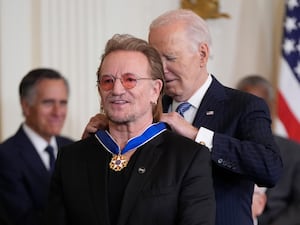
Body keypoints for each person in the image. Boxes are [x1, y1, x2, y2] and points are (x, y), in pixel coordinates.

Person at [82, 9, 283, 225]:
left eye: (170, 58)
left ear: (202, 55)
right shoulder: (146, 108)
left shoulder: (243, 106)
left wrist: (198, 135)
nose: (162, 69)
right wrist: (108, 136)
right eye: (155, 60)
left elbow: (269, 168)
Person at [43, 34, 215, 225]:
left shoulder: (187, 157)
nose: (116, 90)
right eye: (107, 81)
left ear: (155, 90)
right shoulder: (71, 158)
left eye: (129, 80)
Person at [0, 68, 74, 225]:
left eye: (63, 103)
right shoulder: (5, 157)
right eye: (48, 103)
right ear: (26, 106)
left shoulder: (72, 148)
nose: (57, 112)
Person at [237, 75, 300, 225]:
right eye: (244, 106)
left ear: (271, 108)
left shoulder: (294, 152)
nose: (250, 114)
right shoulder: (224, 148)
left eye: (257, 107)